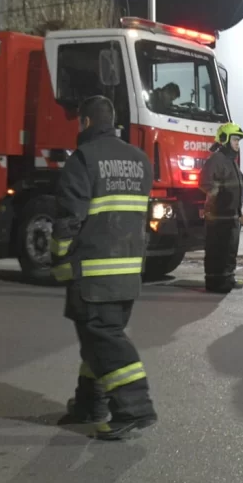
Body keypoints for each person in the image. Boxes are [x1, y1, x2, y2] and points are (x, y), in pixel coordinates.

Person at [51, 95, 157, 440]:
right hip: (129, 268)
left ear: (84, 122)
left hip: (94, 270)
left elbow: (69, 220)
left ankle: (133, 407)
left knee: (105, 338)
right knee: (94, 337)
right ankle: (89, 404)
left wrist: (58, 258)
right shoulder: (140, 160)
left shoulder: (82, 160)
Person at [199, 122, 243, 293]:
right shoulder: (216, 159)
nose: (237, 144)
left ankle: (228, 278)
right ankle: (215, 282)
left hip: (231, 214)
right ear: (224, 139)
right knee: (217, 250)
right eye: (234, 140)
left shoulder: (230, 160)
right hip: (219, 216)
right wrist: (217, 195)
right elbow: (205, 183)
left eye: (238, 141)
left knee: (229, 250)